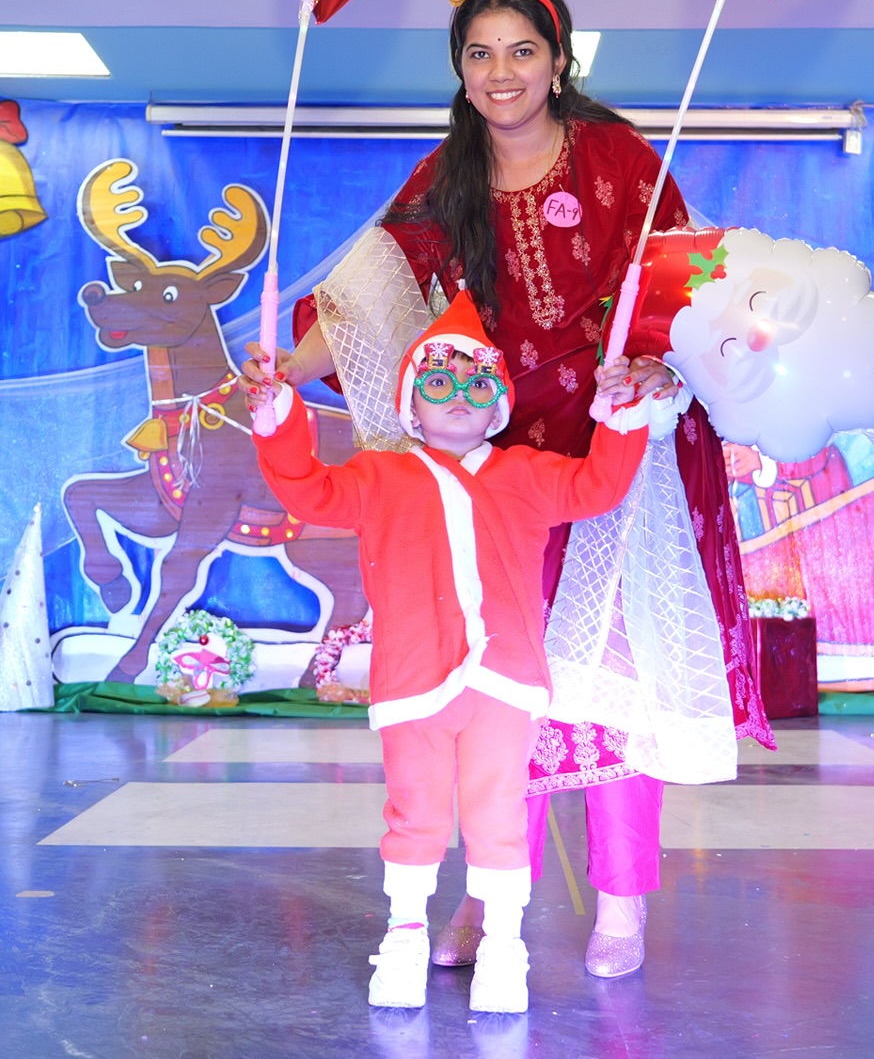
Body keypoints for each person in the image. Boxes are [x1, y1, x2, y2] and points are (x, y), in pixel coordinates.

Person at [244, 0, 773, 979]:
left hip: (613, 454)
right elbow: (368, 296)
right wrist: (284, 369)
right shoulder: (445, 176)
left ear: (559, 59)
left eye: (522, 50)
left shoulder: (621, 159)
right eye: (480, 53)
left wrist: (658, 372)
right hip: (493, 470)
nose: (501, 72)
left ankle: (620, 906)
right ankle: (492, 905)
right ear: (459, 69)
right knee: (498, 690)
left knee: (612, 686)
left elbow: (683, 288)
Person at [249, 287, 664, 1012]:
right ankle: (404, 936)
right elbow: (308, 492)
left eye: (478, 383)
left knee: (498, 814)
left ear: (499, 402)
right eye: (440, 382)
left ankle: (504, 947)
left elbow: (599, 486)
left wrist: (620, 414)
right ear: (412, 403)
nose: (461, 397)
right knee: (414, 812)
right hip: (414, 682)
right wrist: (279, 418)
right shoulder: (378, 476)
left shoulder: (527, 473)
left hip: (504, 683)